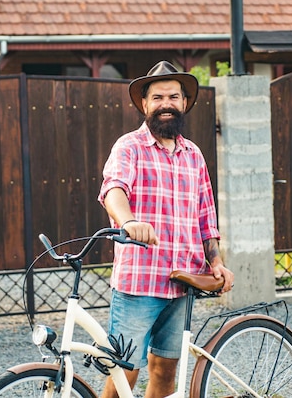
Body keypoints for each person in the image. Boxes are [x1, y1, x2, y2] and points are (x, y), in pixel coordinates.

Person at [97, 60, 234, 398]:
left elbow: (206, 217)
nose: (166, 104)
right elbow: (113, 189)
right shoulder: (129, 147)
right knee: (123, 373)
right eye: (157, 97)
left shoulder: (194, 155)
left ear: (184, 103)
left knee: (164, 369)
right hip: (139, 282)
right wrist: (128, 222)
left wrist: (215, 261)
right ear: (144, 105)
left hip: (182, 281)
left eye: (173, 96)